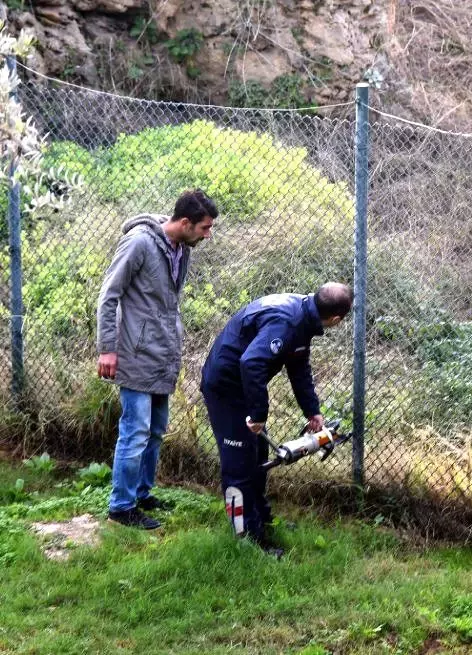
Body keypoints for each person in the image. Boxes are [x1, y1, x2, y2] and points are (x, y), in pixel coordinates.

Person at [200, 282, 354, 555]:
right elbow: (251, 362)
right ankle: (246, 538)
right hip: (225, 387)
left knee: (257, 456)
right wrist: (258, 414)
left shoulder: (303, 316)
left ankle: (260, 520)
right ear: (336, 319)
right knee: (239, 465)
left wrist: (312, 411)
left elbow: (298, 365)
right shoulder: (289, 322)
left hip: (242, 385)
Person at [97, 189, 218, 529]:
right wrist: (107, 348)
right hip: (134, 353)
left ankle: (141, 493)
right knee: (135, 431)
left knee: (155, 430)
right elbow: (109, 295)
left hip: (163, 353)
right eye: (205, 228)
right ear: (184, 222)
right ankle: (121, 508)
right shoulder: (139, 243)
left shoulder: (181, 248)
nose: (208, 235)